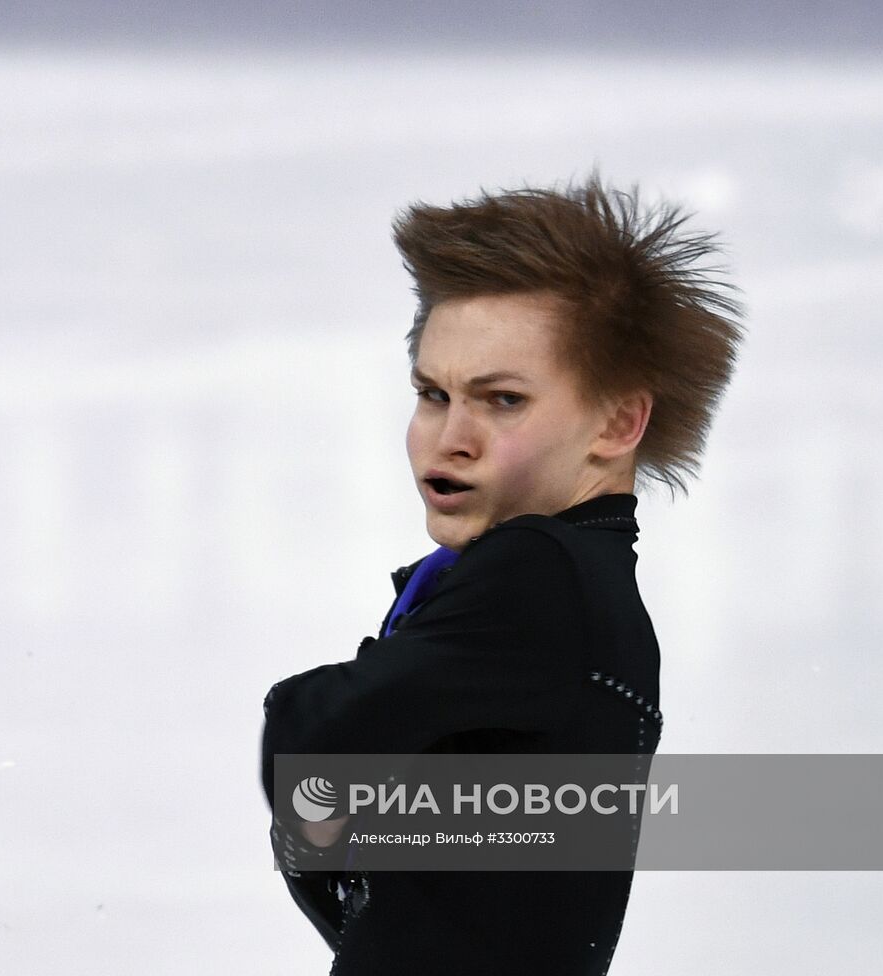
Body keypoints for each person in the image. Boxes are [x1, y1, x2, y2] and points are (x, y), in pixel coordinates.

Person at [259, 172, 744, 974]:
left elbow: (311, 743)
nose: (450, 437)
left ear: (619, 420)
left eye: (503, 400)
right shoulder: (582, 587)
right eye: (432, 393)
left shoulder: (539, 577)